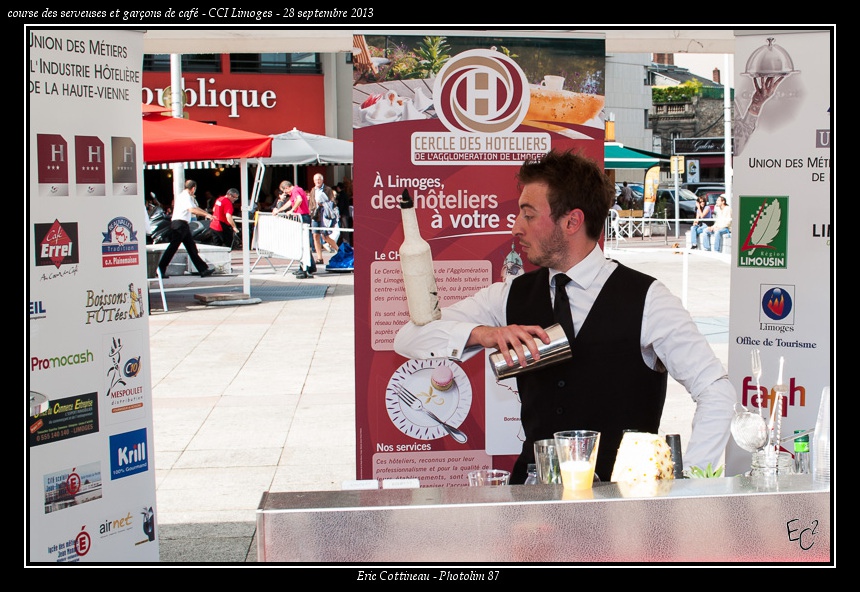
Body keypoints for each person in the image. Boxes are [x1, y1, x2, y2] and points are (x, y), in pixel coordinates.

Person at [393, 149, 735, 484]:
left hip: (622, 506)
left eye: (528, 215)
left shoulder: (649, 299)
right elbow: (408, 338)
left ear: (572, 221)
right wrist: (483, 334)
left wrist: (690, 481)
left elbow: (716, 390)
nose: (515, 228)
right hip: (531, 498)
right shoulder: (509, 295)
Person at [157, 179, 215, 279]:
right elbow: (192, 210)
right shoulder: (186, 196)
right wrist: (207, 215)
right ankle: (160, 269)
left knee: (191, 247)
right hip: (180, 224)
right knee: (173, 248)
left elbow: (195, 207)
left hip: (182, 224)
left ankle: (203, 269)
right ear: (193, 188)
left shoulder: (185, 196)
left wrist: (207, 214)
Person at [274, 180, 316, 278]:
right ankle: (308, 267)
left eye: (285, 191)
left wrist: (292, 210)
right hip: (303, 217)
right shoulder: (297, 190)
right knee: (303, 244)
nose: (285, 193)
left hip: (303, 217)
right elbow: (290, 202)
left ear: (287, 188)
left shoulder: (295, 190)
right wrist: (279, 210)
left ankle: (306, 268)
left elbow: (299, 200)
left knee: (302, 244)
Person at [309, 173, 340, 259]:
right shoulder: (313, 190)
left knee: (325, 236)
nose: (317, 181)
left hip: (324, 215)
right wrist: (311, 210)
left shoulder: (328, 189)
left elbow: (333, 202)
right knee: (315, 235)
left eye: (319, 179)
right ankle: (319, 258)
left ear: (322, 180)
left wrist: (323, 204)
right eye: (316, 180)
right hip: (315, 215)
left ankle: (339, 251)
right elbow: (311, 202)